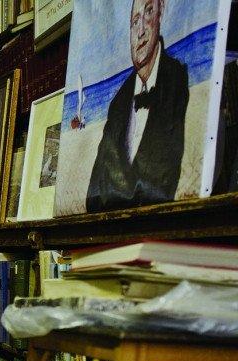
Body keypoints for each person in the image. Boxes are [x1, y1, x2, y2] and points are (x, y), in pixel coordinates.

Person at [86, 0, 189, 213]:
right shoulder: (118, 103)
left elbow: (164, 180)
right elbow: (94, 192)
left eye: (148, 12)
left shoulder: (177, 77)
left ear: (161, 12)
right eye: (134, 22)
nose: (140, 31)